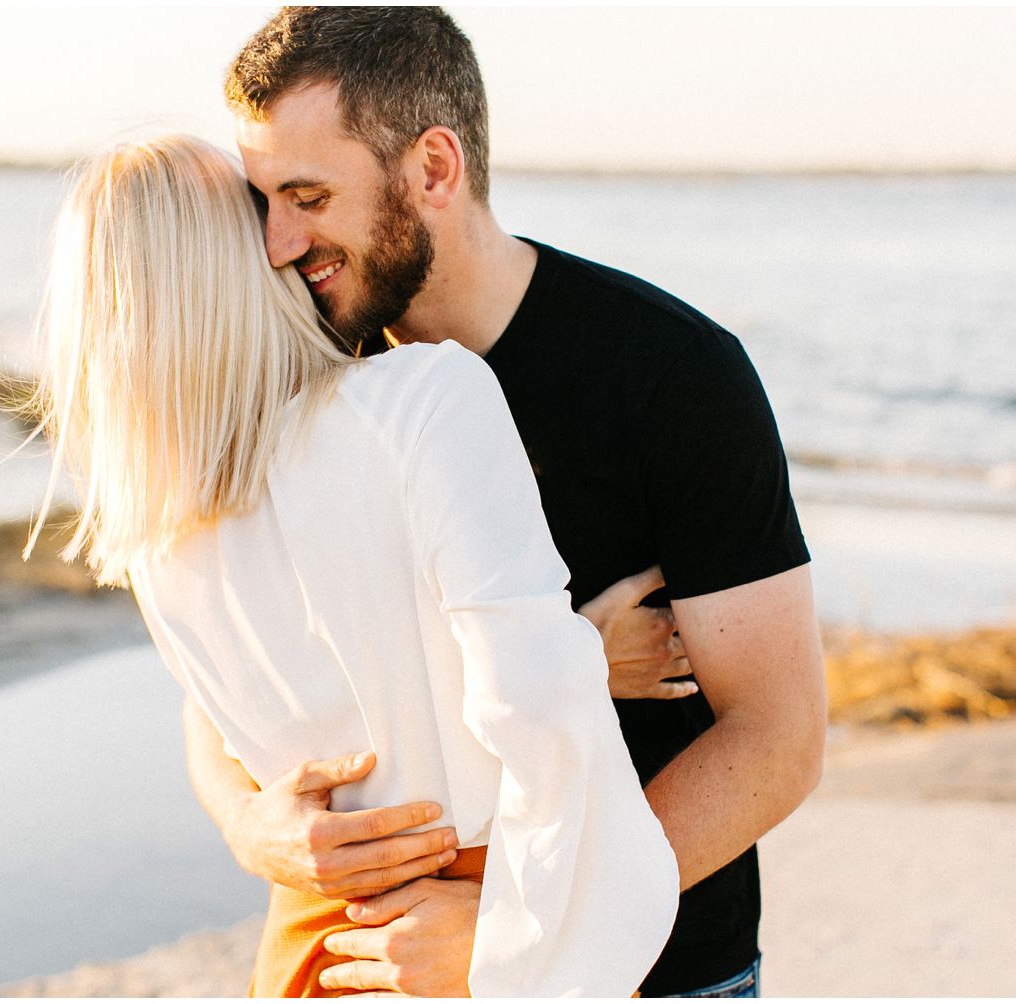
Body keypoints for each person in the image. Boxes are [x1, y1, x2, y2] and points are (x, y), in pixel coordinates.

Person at [183, 7, 828, 998]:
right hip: (382, 967)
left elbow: (777, 735)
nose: (276, 242)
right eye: (263, 199)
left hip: (652, 976)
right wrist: (249, 823)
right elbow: (222, 661)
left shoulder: (670, 374)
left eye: (308, 196)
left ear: (434, 171)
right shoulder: (298, 375)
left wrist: (532, 921)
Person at [25, 134, 680, 997]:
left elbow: (257, 717)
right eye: (262, 209)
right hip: (459, 938)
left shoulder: (151, 523)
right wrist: (532, 942)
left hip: (314, 954)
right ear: (235, 256)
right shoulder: (422, 400)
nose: (290, 236)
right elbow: (535, 705)